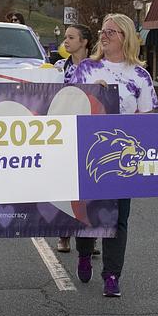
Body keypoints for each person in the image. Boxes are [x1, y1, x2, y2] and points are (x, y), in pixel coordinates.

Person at [63, 13, 157, 297]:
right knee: (88, 212)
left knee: (118, 218)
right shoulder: (86, 69)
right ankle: (84, 251)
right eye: (103, 32)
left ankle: (112, 274)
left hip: (123, 157)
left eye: (111, 32)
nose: (104, 36)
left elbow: (147, 117)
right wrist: (93, 94)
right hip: (86, 150)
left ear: (125, 38)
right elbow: (67, 105)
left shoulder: (139, 75)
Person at [55, 23, 96, 254]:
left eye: (71, 37)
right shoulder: (60, 67)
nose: (66, 41)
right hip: (63, 130)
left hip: (89, 130)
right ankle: (63, 233)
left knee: (88, 183)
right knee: (64, 183)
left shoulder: (97, 67)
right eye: (65, 38)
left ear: (84, 42)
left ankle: (91, 236)